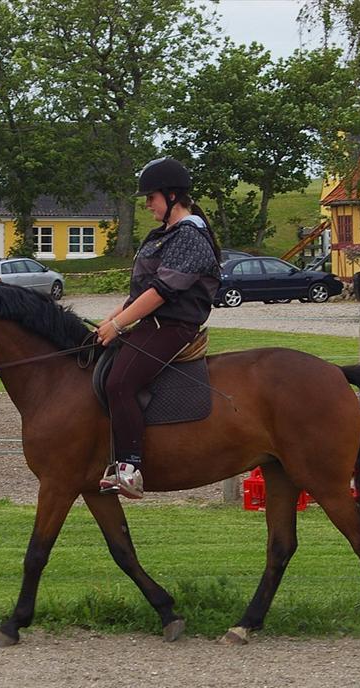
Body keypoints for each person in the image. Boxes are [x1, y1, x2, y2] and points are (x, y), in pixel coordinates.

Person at [94, 157, 222, 498]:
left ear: (172, 196)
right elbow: (140, 293)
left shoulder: (190, 236)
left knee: (120, 382)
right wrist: (109, 320)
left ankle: (130, 467)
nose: (147, 203)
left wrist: (120, 324)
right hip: (153, 322)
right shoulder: (164, 234)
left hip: (174, 327)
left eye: (151, 197)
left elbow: (162, 292)